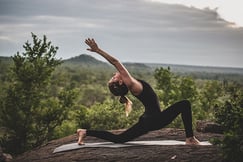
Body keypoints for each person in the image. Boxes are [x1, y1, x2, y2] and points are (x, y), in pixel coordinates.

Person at [77, 38, 200, 145]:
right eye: (114, 78)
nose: (114, 74)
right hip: (155, 119)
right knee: (185, 104)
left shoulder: (132, 84)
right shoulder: (131, 84)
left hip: (148, 120)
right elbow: (115, 62)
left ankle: (85, 132)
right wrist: (98, 50)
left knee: (119, 139)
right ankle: (190, 138)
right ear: (121, 82)